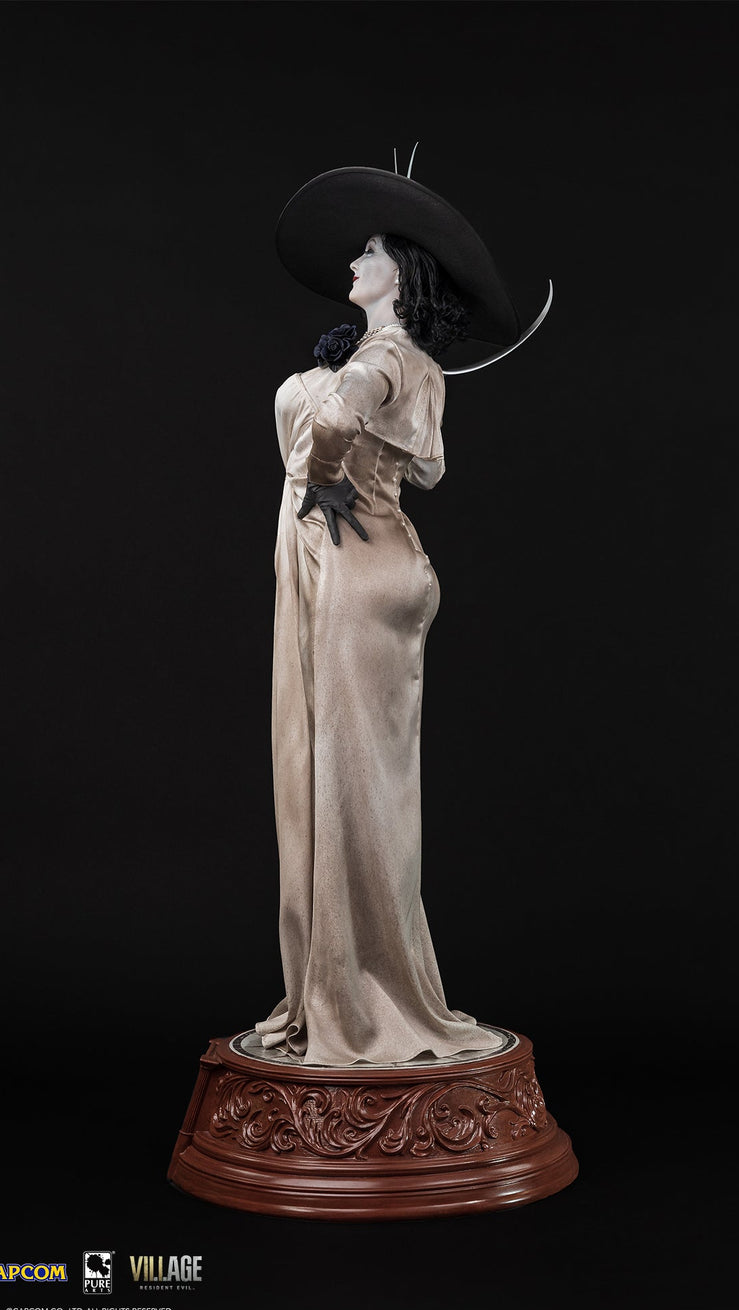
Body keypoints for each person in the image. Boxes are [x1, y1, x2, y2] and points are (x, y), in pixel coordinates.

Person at [253, 158, 551, 1067]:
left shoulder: (384, 357)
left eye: (372, 252)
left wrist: (321, 479)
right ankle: (353, 978)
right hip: (374, 565)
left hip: (353, 570)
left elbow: (337, 423)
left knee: (346, 782)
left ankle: (358, 996)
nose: (355, 262)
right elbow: (417, 462)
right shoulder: (403, 362)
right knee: (360, 781)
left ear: (404, 273)